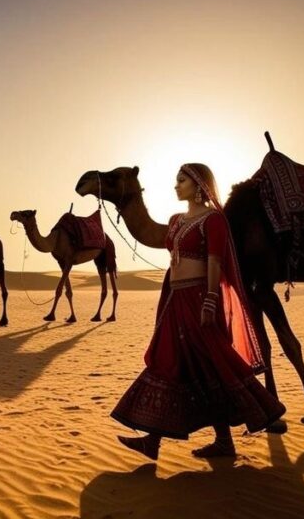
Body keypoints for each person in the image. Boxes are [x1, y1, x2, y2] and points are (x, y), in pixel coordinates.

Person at [113, 163, 285, 459]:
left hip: (199, 300)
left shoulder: (214, 220)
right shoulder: (176, 220)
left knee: (212, 364)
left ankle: (230, 436)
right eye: (176, 180)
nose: (176, 186)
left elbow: (215, 263)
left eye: (181, 180)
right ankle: (153, 441)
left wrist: (209, 299)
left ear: (199, 185)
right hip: (176, 300)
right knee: (169, 362)